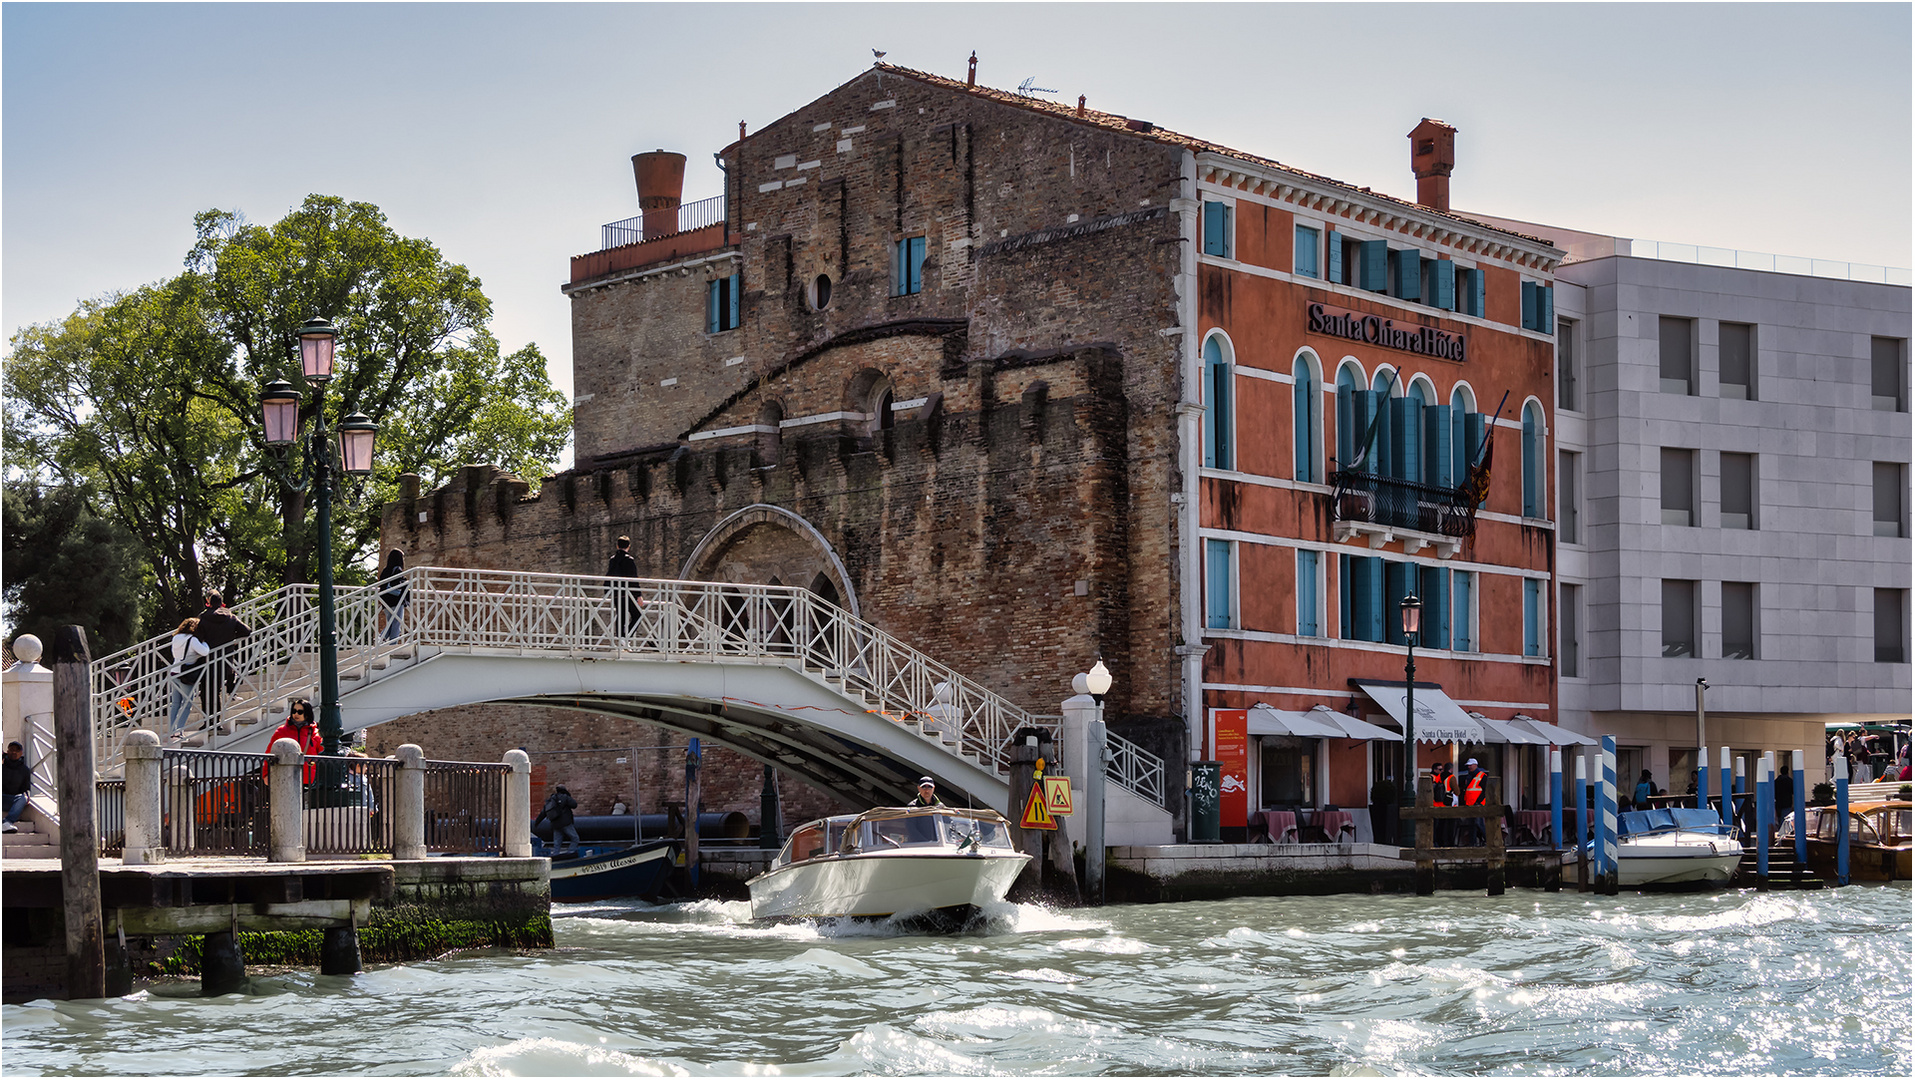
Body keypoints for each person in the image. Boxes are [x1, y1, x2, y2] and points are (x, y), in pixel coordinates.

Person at [194, 591, 253, 716]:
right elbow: (247, 631)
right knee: (218, 689)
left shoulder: (203, 617)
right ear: (221, 603)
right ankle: (217, 721)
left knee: (207, 692)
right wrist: (233, 639)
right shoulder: (231, 616)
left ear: (209, 602)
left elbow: (197, 637)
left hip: (208, 660)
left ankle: (209, 720)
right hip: (226, 659)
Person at [166, 617, 211, 741]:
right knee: (187, 704)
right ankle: (179, 731)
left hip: (173, 672)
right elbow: (205, 652)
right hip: (185, 675)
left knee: (175, 704)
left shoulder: (176, 638)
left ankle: (171, 730)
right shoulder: (193, 640)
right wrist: (205, 642)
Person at [263, 701, 324, 789]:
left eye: (300, 712)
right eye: (294, 711)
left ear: (307, 714)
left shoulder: (315, 734)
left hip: (310, 781)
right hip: (286, 779)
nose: (296, 714)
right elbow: (269, 754)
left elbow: (323, 757)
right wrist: (266, 774)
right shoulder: (281, 732)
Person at [606, 535, 641, 637]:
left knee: (621, 615)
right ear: (628, 546)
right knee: (637, 615)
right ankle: (627, 637)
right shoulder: (629, 560)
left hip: (616, 592)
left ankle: (621, 637)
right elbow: (633, 578)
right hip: (627, 593)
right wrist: (638, 595)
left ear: (617, 546)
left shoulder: (613, 560)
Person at [538, 785, 580, 855]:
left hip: (555, 824)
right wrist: (568, 795)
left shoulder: (551, 800)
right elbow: (574, 805)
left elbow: (543, 813)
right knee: (575, 838)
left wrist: (536, 823)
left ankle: (555, 856)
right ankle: (570, 852)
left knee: (557, 843)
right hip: (565, 823)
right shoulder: (565, 797)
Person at [378, 549, 408, 642]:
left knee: (390, 623)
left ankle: (380, 639)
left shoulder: (385, 570)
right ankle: (393, 645)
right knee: (396, 623)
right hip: (396, 600)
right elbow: (399, 584)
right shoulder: (397, 570)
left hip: (385, 600)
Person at [3, 742, 32, 833]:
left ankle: (7, 822)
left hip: (14, 800)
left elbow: (25, 788)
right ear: (7, 752)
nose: (14, 752)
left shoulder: (25, 770)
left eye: (17, 750)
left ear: (21, 753)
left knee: (23, 798)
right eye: (11, 750)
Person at [1458, 759, 1487, 846]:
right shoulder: (1469, 776)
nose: (1469, 767)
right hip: (1470, 804)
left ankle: (1486, 840)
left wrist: (1479, 802)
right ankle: (1473, 842)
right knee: (1472, 824)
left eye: (1470, 765)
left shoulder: (1482, 776)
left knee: (1479, 823)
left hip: (1478, 804)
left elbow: (1485, 791)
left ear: (1475, 765)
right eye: (1468, 765)